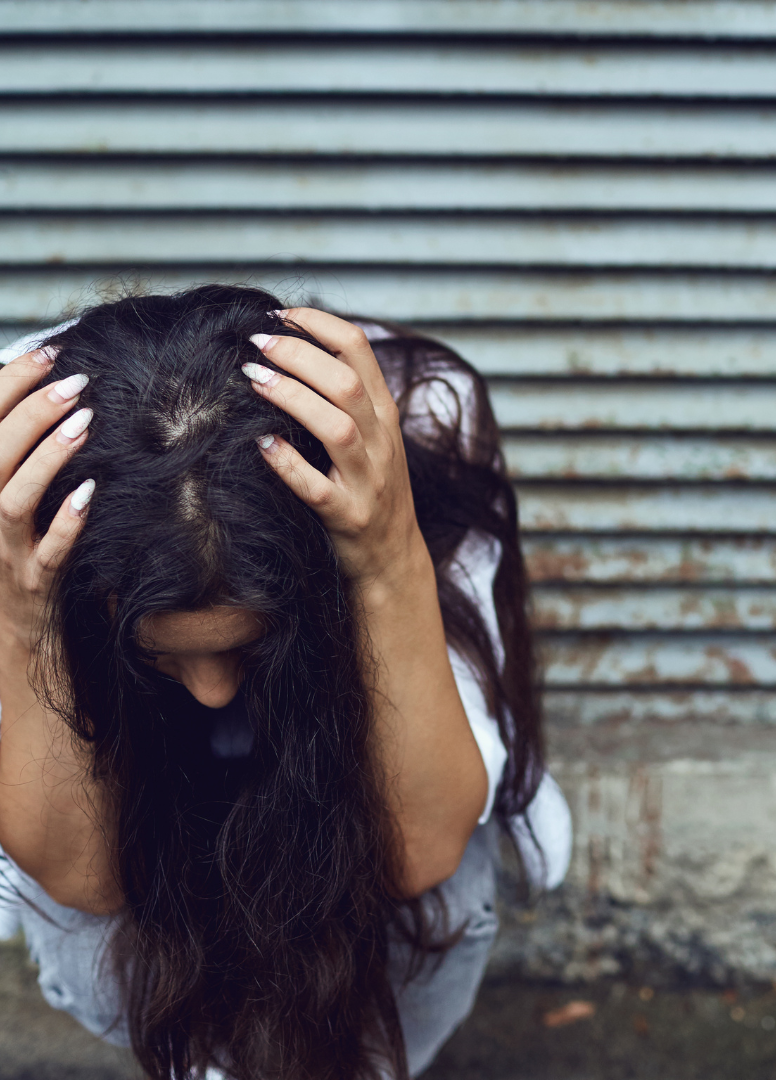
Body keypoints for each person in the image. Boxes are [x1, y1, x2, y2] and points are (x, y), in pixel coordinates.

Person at [0, 285, 571, 1080]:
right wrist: (24, 621)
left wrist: (385, 556)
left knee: (449, 878)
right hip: (145, 828)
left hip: (342, 833)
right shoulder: (21, 478)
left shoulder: (418, 415)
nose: (210, 692)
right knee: (77, 917)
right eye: (157, 652)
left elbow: (420, 853)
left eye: (249, 646)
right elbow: (86, 885)